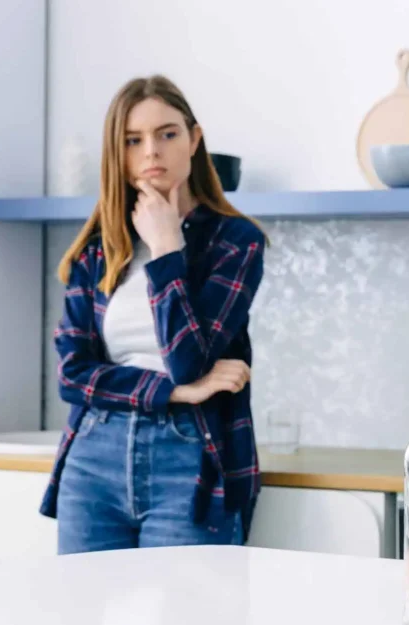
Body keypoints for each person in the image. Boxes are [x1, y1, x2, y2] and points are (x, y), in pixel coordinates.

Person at [40, 75, 266, 553]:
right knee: (75, 622)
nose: (151, 152)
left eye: (167, 134)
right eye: (133, 140)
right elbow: (71, 375)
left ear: (194, 140)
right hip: (94, 455)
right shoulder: (96, 252)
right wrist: (175, 391)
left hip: (191, 457)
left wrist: (167, 247)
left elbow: (191, 359)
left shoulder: (235, 241)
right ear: (116, 153)